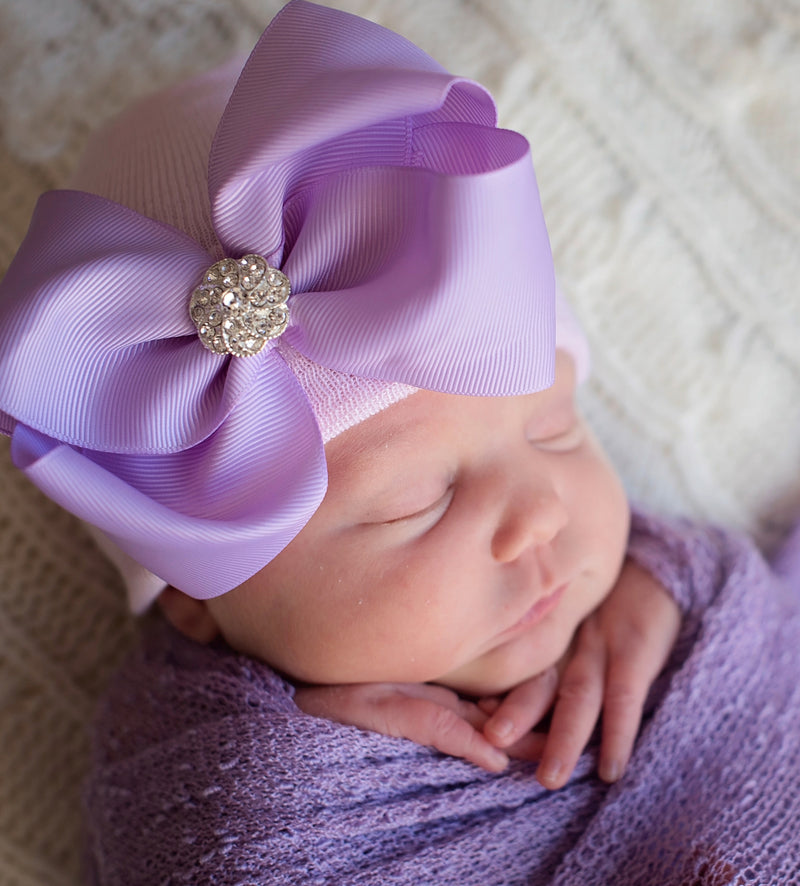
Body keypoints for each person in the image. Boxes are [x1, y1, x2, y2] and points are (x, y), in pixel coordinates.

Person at [1, 2, 799, 883]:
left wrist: (684, 595)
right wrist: (293, 771)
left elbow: (764, 654)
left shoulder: (652, 599)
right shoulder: (223, 790)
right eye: (414, 504)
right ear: (197, 595)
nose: (538, 512)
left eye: (556, 428)